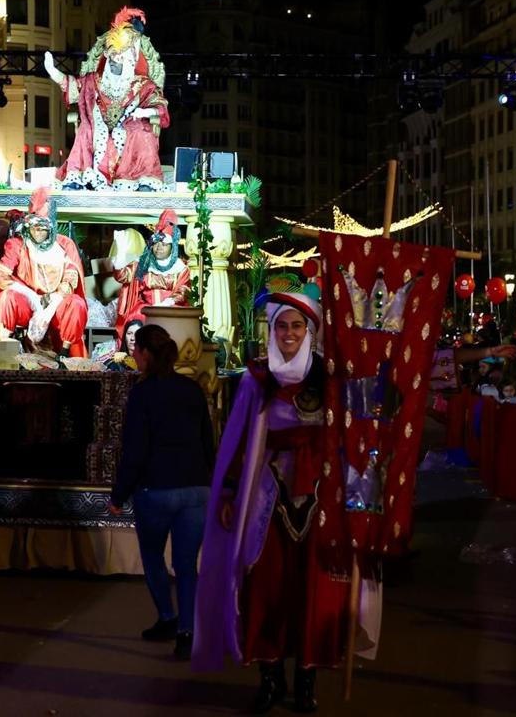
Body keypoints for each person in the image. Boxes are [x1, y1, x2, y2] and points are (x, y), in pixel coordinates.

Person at [193, 289, 338, 714]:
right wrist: (232, 491)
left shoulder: (330, 380)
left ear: (309, 331)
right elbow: (237, 441)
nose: (289, 333)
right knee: (266, 589)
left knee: (310, 592)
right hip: (265, 503)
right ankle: (270, 679)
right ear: (272, 331)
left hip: (317, 501)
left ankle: (306, 682)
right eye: (281, 326)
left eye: (297, 325)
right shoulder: (255, 380)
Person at [108, 325, 213, 660]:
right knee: (186, 565)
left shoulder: (143, 393)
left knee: (152, 555)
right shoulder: (192, 389)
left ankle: (167, 617)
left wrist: (118, 494)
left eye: (136, 351)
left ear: (147, 354)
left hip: (156, 489)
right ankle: (187, 632)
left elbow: (135, 450)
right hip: (195, 489)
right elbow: (207, 440)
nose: (134, 357)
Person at [44, 7, 169, 191]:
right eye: (113, 56)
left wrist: (145, 111)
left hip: (130, 129)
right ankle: (77, 178)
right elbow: (72, 87)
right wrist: (53, 72)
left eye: (121, 56)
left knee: (141, 131)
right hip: (98, 128)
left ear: (131, 60)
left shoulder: (143, 84)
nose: (116, 60)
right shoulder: (93, 80)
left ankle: (141, 180)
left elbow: (159, 103)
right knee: (86, 128)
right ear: (107, 56)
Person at [0, 187, 88, 356]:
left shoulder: (65, 244)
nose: (39, 232)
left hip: (56, 304)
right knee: (7, 297)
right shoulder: (17, 245)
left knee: (77, 303)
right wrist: (31, 296)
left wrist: (49, 308)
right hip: (27, 303)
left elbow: (71, 279)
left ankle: (65, 354)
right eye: (35, 227)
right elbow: (0, 275)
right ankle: (0, 353)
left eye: (43, 228)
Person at [113, 209, 190, 337]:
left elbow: (183, 290)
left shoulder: (181, 267)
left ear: (172, 247)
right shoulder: (142, 264)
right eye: (155, 243)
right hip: (145, 309)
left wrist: (165, 304)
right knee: (136, 319)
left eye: (164, 244)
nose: (159, 247)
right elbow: (121, 276)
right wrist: (120, 251)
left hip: (172, 307)